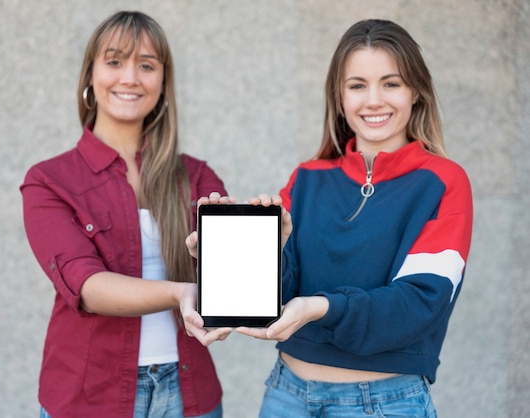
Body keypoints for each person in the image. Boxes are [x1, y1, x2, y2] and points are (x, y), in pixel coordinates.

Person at [187, 19, 473, 417]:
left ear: (416, 92)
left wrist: (323, 307)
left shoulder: (443, 182)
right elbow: (280, 295)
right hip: (286, 396)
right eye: (357, 85)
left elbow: (418, 304)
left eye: (390, 83)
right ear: (339, 97)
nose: (373, 100)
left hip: (384, 404)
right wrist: (235, 256)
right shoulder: (307, 178)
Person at [20, 11, 231, 418]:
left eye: (147, 65)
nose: (130, 77)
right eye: (115, 61)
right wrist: (178, 292)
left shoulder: (197, 176)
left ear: (163, 83)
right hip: (89, 399)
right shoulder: (49, 181)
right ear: (90, 76)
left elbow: (226, 277)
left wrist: (260, 245)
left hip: (190, 395)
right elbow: (88, 286)